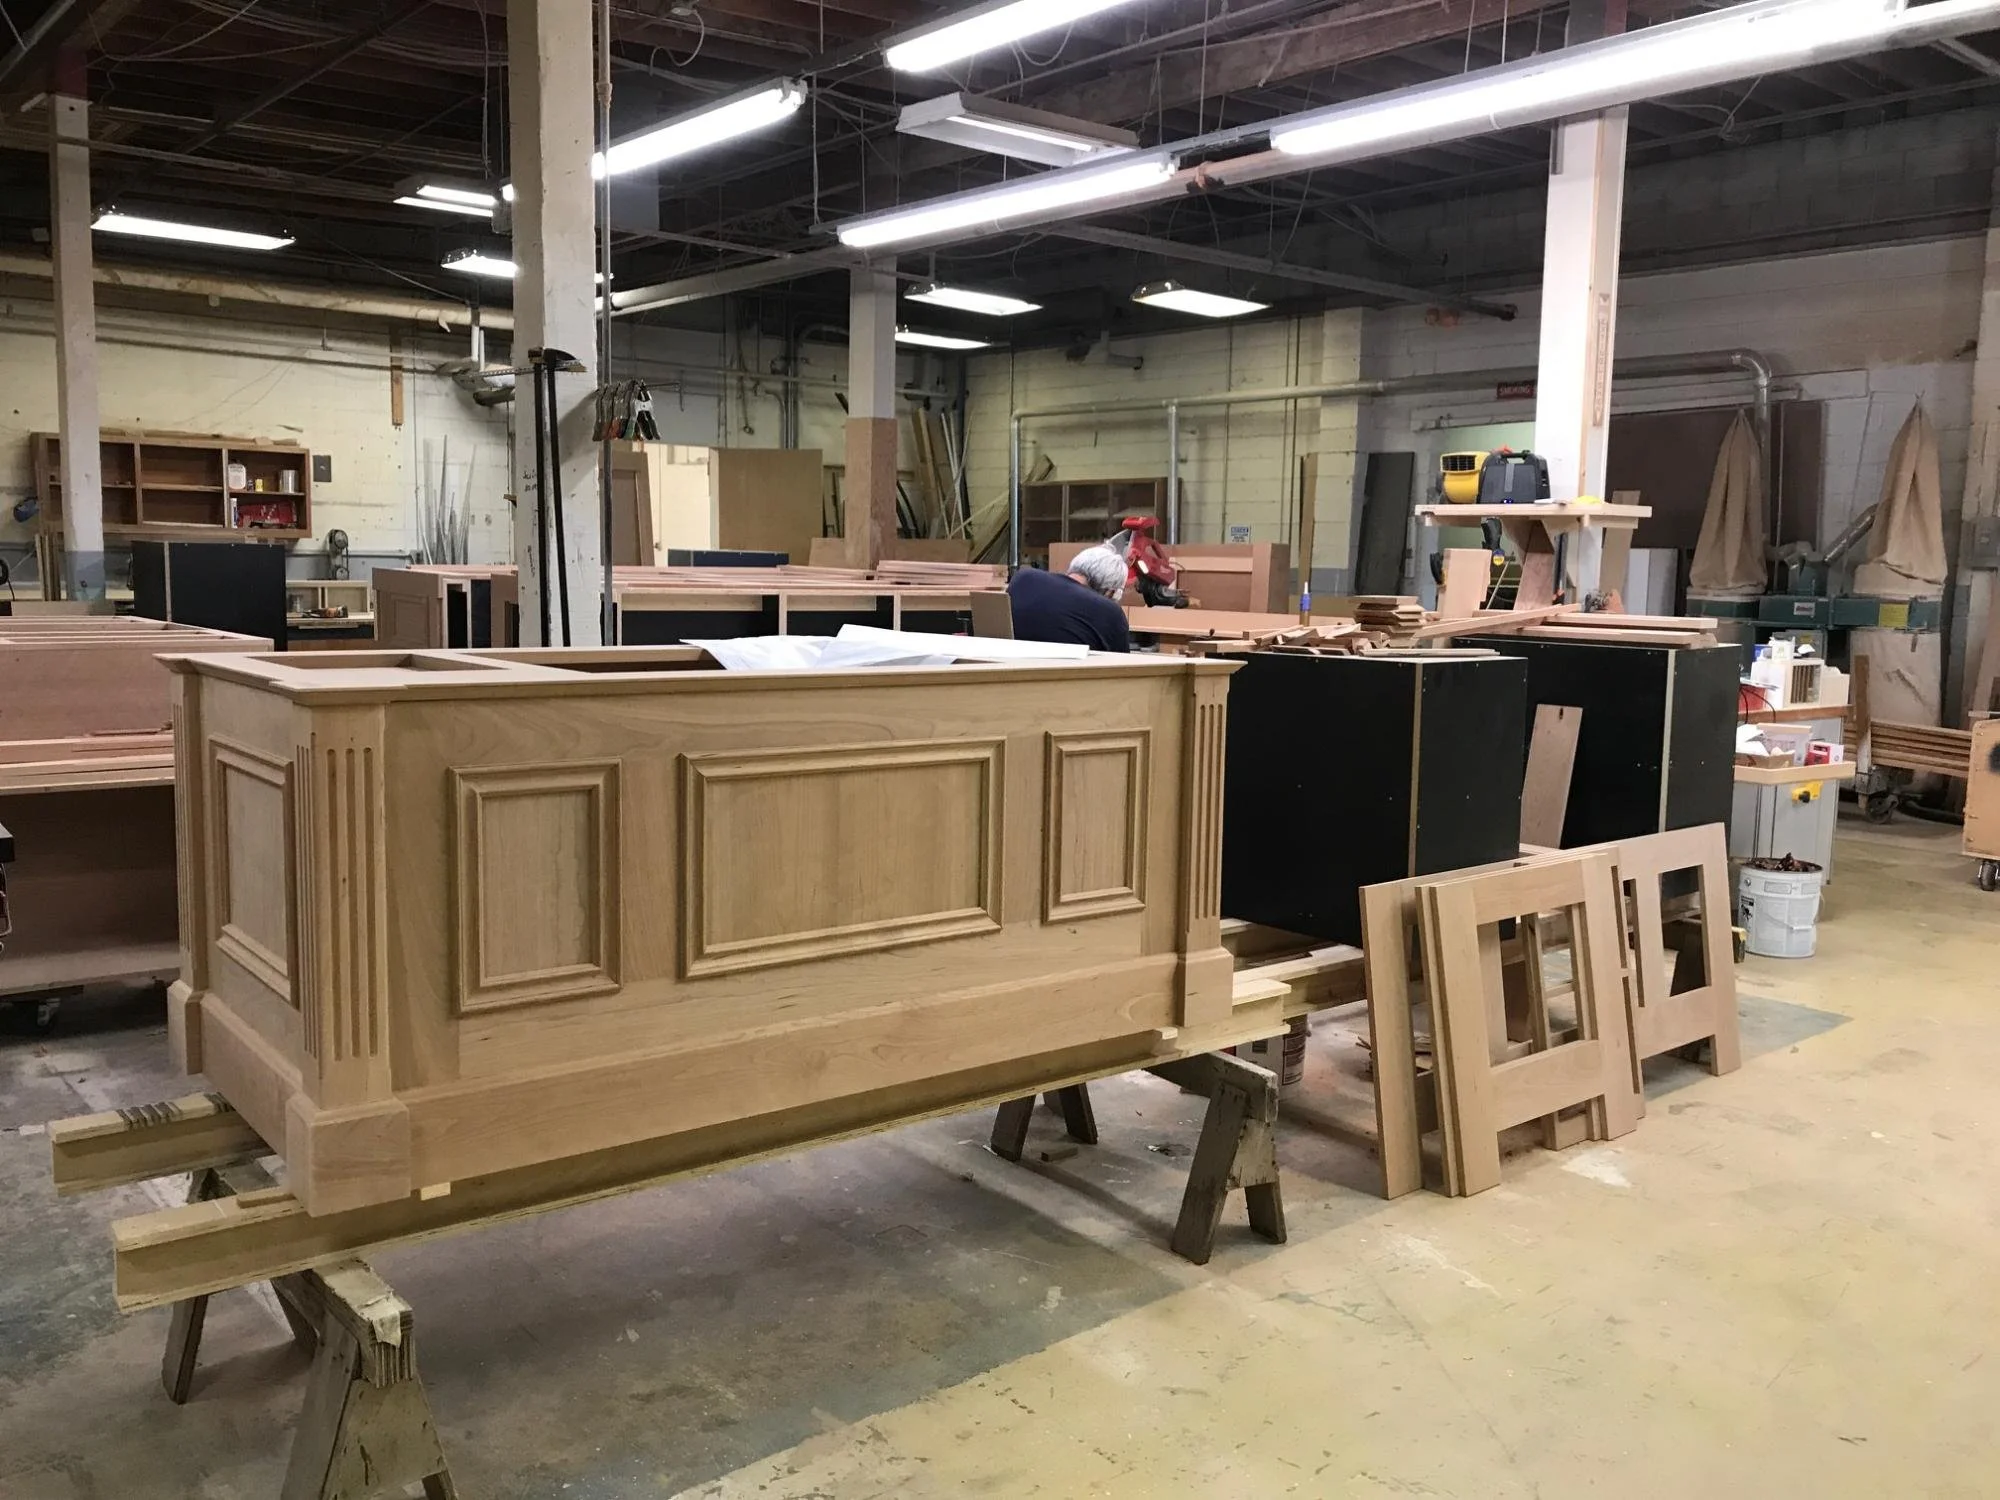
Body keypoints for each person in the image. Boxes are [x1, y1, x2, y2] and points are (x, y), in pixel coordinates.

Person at [1006, 543, 1132, 652]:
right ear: (1110, 592)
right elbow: (1125, 672)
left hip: (1007, 673)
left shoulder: (1024, 579)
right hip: (1066, 678)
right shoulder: (1111, 613)